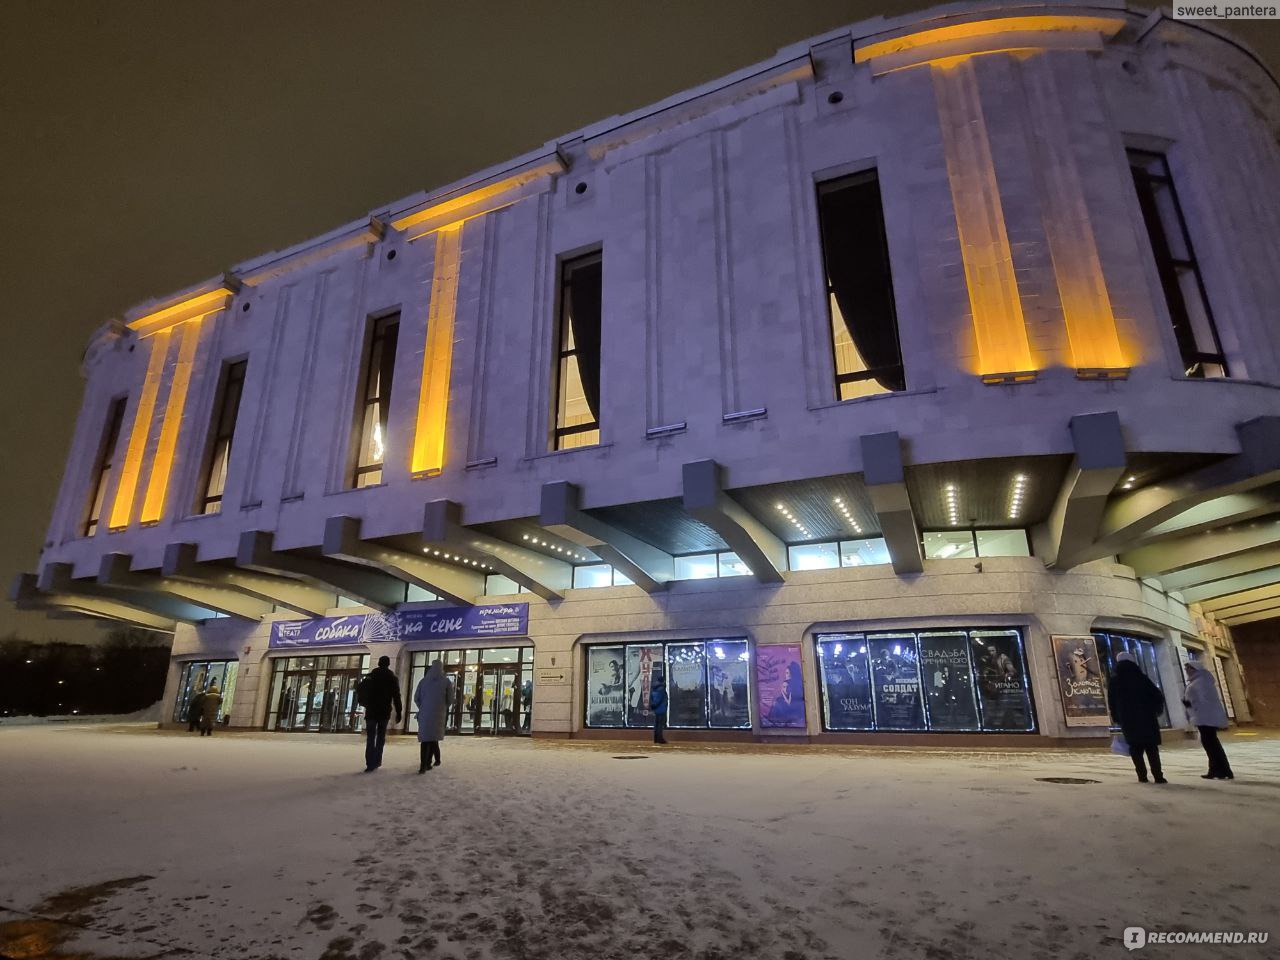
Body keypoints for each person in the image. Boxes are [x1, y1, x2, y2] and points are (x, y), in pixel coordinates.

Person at [1107, 652, 1166, 783]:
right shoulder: (1141, 677)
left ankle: (1142, 776)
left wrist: (1117, 716)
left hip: (1128, 719)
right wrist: (1155, 709)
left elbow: (1112, 701)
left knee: (1135, 748)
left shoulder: (1115, 680)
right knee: (1151, 748)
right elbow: (1157, 695)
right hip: (1147, 717)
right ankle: (1158, 776)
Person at [1182, 661, 1234, 780]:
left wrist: (1189, 705)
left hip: (1204, 717)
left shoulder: (1199, 683)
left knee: (1211, 745)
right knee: (1212, 744)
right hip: (1205, 717)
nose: (1187, 671)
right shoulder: (1202, 681)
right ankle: (1220, 769)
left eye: (1188, 668)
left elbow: (1203, 701)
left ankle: (1220, 770)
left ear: (1195, 669)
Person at [357, 655, 402, 772]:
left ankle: (369, 763)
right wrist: (399, 711)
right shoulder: (391, 678)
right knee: (381, 737)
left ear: (378, 663)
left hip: (371, 711)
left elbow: (360, 690)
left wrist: (365, 702)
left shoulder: (370, 676)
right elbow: (396, 696)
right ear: (388, 664)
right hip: (384, 711)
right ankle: (377, 760)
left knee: (370, 738)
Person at [414, 660, 453, 773]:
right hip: (439, 715)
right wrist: (442, 706)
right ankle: (429, 762)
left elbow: (416, 697)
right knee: (433, 738)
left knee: (425, 740)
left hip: (425, 714)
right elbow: (450, 699)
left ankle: (423, 765)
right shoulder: (446, 682)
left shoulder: (423, 681)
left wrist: (424, 706)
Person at [649, 673, 669, 745]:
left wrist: (653, 705)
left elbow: (651, 698)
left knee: (656, 724)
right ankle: (660, 738)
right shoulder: (662, 689)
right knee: (660, 724)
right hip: (661, 708)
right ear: (663, 681)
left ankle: (656, 738)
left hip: (656, 709)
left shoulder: (654, 688)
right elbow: (661, 699)